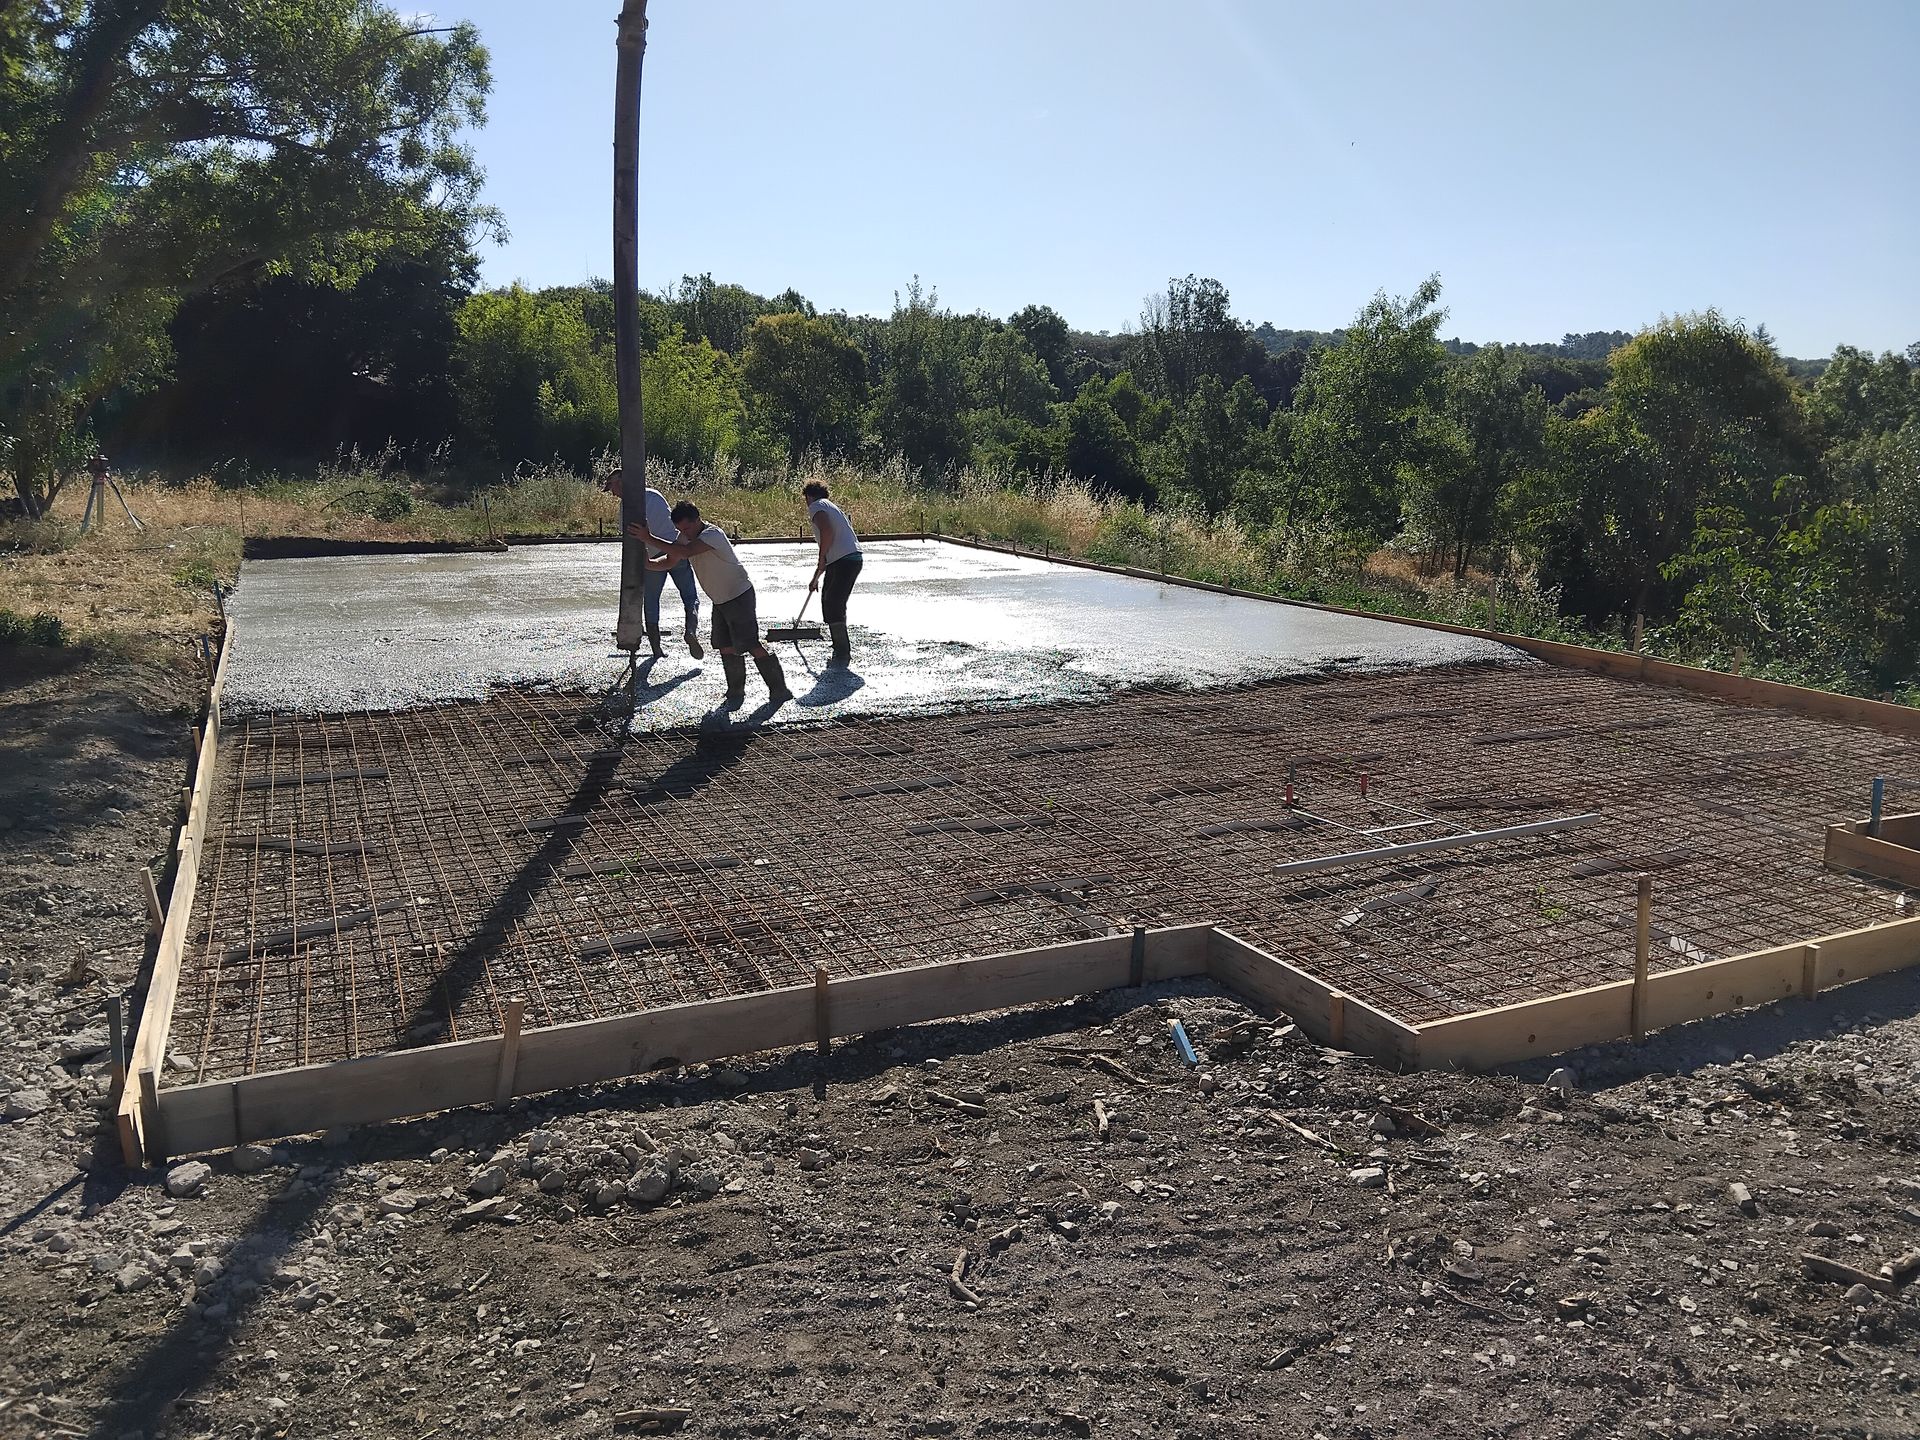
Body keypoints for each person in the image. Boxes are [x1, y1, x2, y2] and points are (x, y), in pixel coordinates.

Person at [635, 501, 792, 708]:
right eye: (680, 530)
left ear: (697, 519)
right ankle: (735, 691)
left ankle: (779, 689)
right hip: (719, 600)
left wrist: (649, 538)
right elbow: (669, 561)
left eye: (687, 528)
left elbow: (686, 552)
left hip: (739, 595)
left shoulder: (712, 534)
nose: (685, 533)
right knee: (724, 645)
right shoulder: (684, 538)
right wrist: (647, 560)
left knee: (750, 643)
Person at [604, 469, 702, 658]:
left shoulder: (628, 508)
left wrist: (640, 562)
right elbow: (672, 523)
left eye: (613, 488)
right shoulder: (655, 495)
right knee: (690, 597)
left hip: (652, 557)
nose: (613, 493)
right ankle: (691, 632)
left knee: (651, 601)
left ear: (621, 483)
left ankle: (657, 650)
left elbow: (631, 540)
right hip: (676, 549)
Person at [803, 481, 862, 666]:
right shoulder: (829, 506)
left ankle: (842, 651)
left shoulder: (817, 506)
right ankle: (839, 646)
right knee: (828, 600)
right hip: (845, 560)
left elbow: (826, 532)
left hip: (846, 561)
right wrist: (815, 578)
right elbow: (829, 551)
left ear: (809, 496)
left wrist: (821, 558)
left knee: (834, 602)